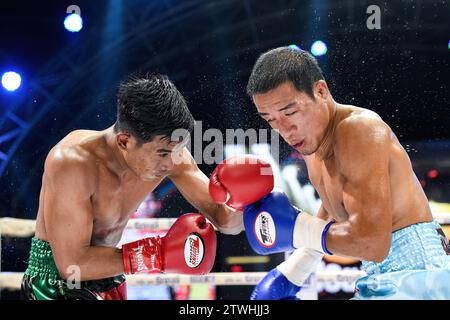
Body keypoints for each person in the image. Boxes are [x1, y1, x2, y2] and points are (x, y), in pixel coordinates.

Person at [209, 47, 450, 300]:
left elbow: (373, 244)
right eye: (270, 120)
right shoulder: (313, 145)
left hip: (420, 276)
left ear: (320, 91)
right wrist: (295, 270)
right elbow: (334, 209)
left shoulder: (359, 129)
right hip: (384, 277)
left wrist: (296, 227)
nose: (285, 129)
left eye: (290, 112)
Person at [21, 73, 244, 300]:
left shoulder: (172, 154)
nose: (169, 163)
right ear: (125, 141)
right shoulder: (72, 162)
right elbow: (71, 265)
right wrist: (157, 253)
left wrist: (249, 208)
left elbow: (224, 220)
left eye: (175, 151)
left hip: (111, 273)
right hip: (56, 281)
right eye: (162, 153)